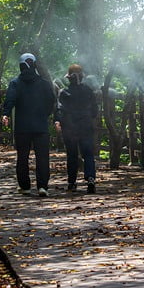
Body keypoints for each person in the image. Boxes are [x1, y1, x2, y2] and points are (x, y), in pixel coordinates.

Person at [1, 52, 56, 196]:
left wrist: (5, 113)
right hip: (41, 126)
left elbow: (10, 100)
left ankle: (25, 186)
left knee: (22, 156)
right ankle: (42, 186)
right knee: (43, 157)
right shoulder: (44, 83)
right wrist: (45, 114)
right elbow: (51, 101)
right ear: (34, 65)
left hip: (22, 127)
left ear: (21, 66)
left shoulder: (15, 83)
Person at [54, 63, 100, 194]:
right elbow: (94, 111)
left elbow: (59, 110)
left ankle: (72, 182)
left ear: (69, 78)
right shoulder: (88, 91)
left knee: (72, 155)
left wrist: (58, 121)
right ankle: (91, 178)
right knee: (88, 154)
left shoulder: (64, 93)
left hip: (70, 129)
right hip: (86, 127)